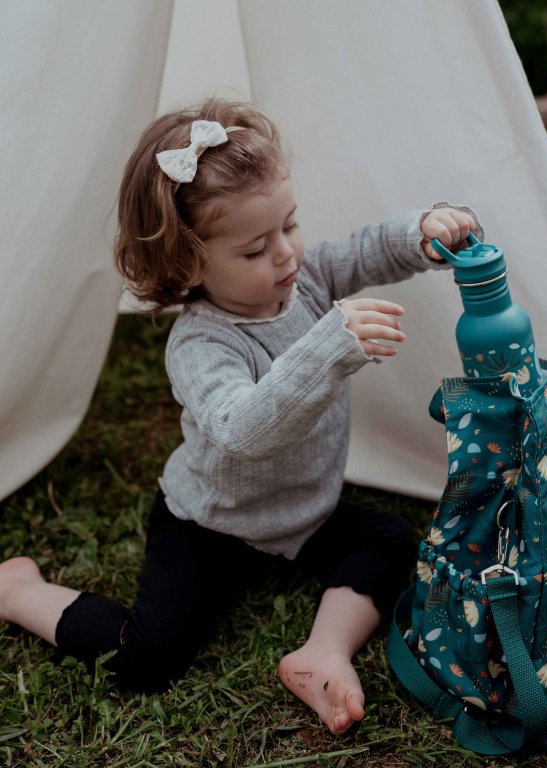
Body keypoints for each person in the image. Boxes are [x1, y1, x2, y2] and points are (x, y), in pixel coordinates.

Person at [0, 100, 480, 735]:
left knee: (391, 541)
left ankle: (322, 652)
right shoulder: (200, 345)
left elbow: (365, 253)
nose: (285, 255)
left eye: (291, 225)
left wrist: (421, 231)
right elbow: (242, 428)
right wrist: (330, 348)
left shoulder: (303, 279)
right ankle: (18, 593)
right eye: (255, 249)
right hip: (212, 523)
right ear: (187, 265)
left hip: (307, 510)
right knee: (148, 656)